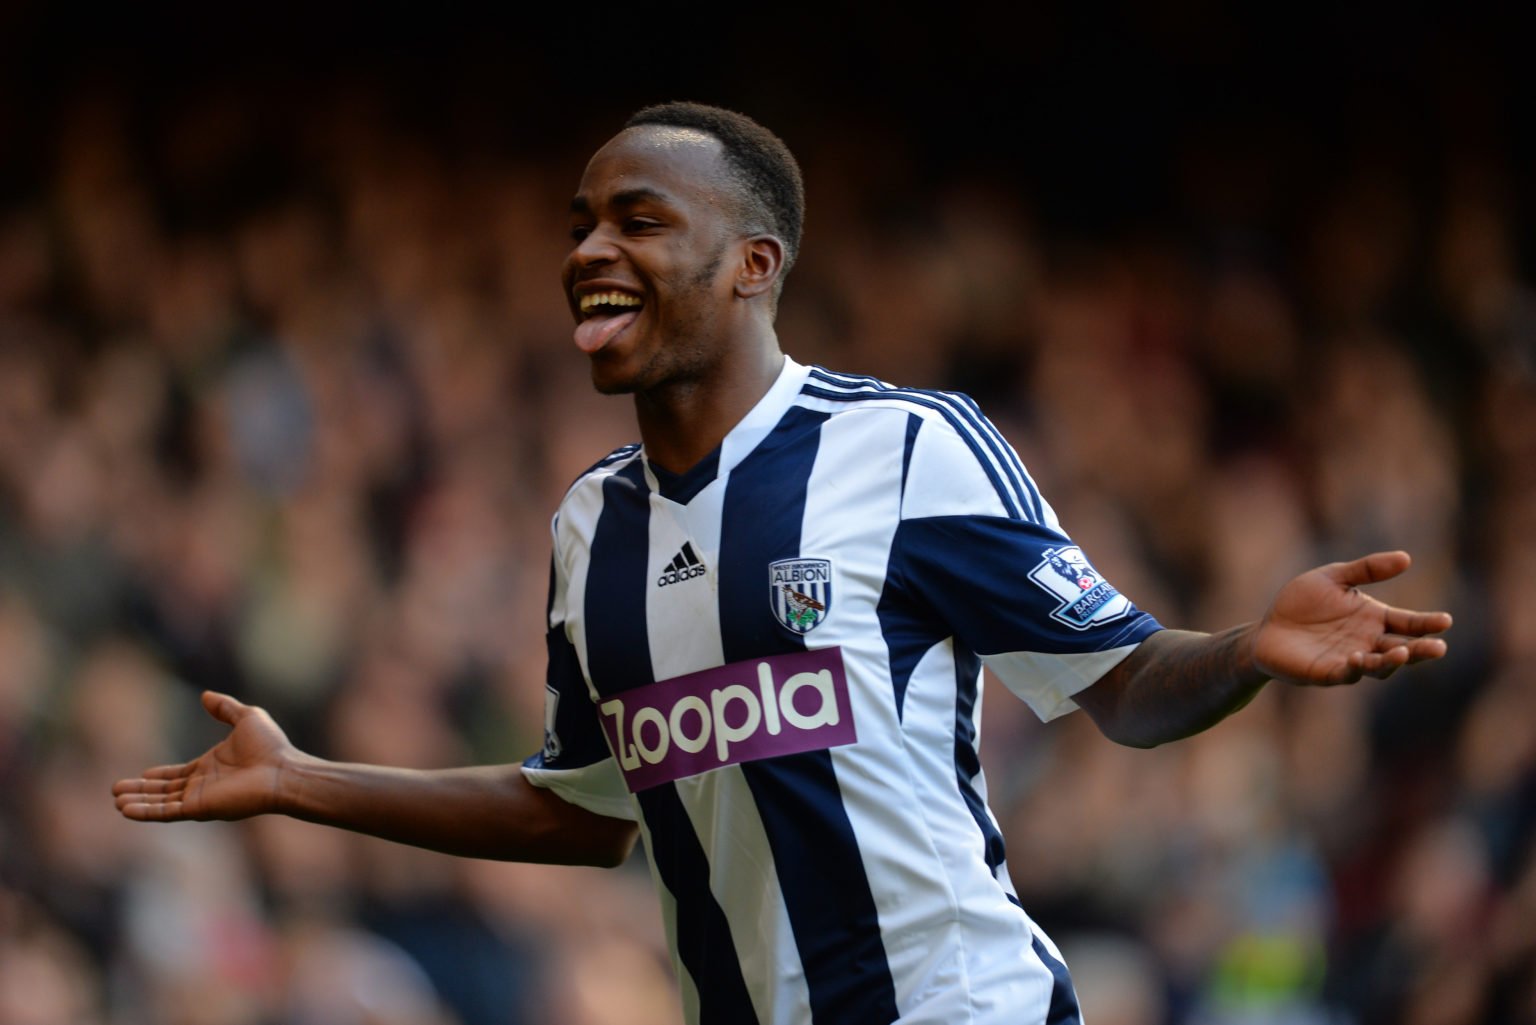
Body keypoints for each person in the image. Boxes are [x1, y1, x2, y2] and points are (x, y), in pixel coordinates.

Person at [114, 102, 1453, 1025]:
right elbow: (585, 808)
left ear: (753, 264)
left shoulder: (907, 449)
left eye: (638, 220)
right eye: (582, 221)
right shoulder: (590, 526)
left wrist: (1246, 651)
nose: (588, 250)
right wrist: (302, 782)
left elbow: (1120, 679)